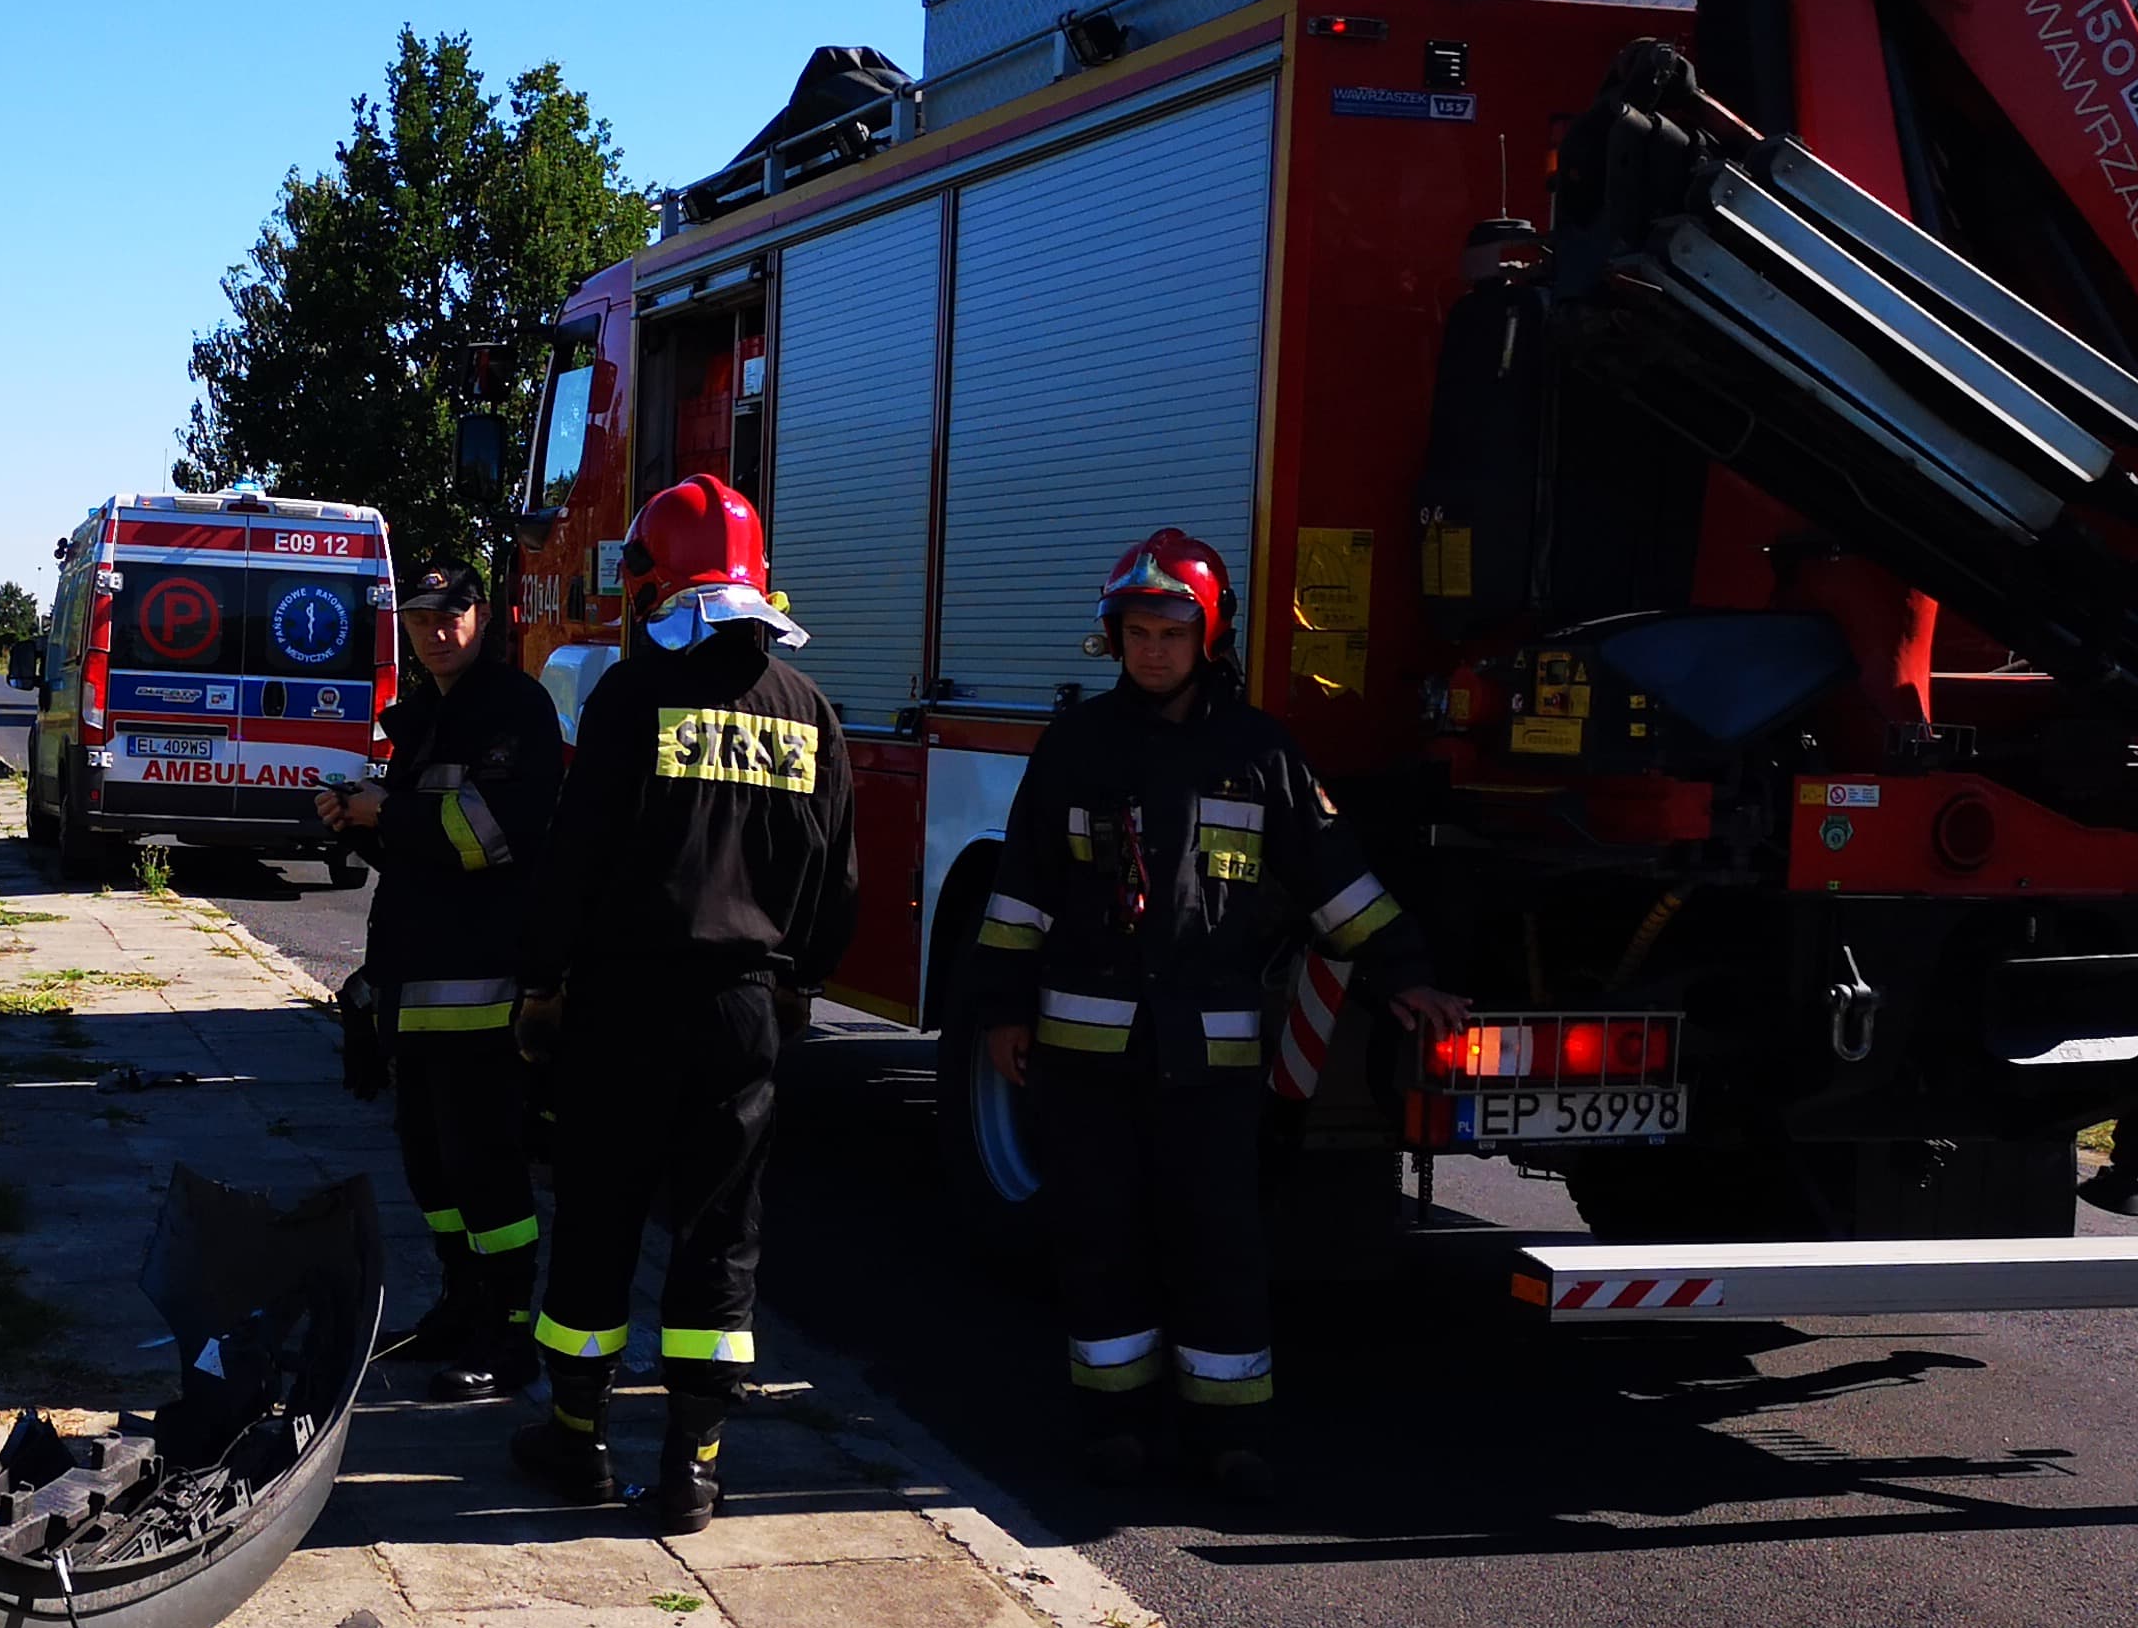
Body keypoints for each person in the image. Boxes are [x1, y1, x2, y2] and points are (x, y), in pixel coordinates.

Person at [967, 529, 1464, 1496]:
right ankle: (1113, 1428)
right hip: (1087, 1061)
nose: (1152, 651)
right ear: (1114, 638)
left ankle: (1231, 1437)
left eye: (1171, 633)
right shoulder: (1076, 747)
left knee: (1220, 1245)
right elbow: (1021, 891)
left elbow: (1334, 878)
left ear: (1210, 637)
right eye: (1137, 633)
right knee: (1101, 1241)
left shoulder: (1258, 752)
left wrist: (1403, 970)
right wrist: (998, 1011)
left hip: (1210, 1064)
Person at [510, 477, 857, 1533]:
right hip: (743, 1009)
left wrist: (541, 982)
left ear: (654, 580)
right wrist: (796, 981)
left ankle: (575, 1439)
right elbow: (835, 877)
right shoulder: (806, 710)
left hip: (624, 1001)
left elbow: (575, 854)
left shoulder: (631, 695)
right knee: (721, 1233)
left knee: (600, 1214)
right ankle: (693, 1467)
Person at [319, 559, 566, 1401]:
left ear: (483, 617)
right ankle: (462, 1306)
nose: (436, 631)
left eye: (452, 614)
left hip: (483, 984)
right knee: (430, 1167)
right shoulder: (426, 714)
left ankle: (510, 1333)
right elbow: (416, 853)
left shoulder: (514, 709)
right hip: (414, 979)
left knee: (486, 1167)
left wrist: (386, 809)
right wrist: (355, 821)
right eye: (421, 618)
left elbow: (489, 835)